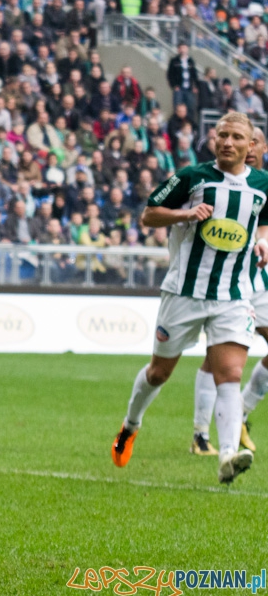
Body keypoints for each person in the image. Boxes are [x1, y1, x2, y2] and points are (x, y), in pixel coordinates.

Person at [112, 113, 268, 485]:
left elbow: (263, 222)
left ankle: (228, 453)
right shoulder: (192, 177)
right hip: (184, 292)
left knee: (229, 373)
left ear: (250, 147)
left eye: (236, 137)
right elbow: (148, 214)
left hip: (233, 295)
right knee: (159, 373)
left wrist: (263, 241)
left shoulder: (263, 185)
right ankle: (130, 426)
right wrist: (185, 212)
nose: (227, 142)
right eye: (222, 135)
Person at [191, 128, 268, 456]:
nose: (247, 148)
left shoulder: (264, 186)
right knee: (217, 357)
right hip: (224, 281)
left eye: (253, 142)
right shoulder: (216, 182)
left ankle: (242, 414)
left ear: (263, 146)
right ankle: (200, 435)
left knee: (220, 358)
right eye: (241, 141)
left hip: (257, 280)